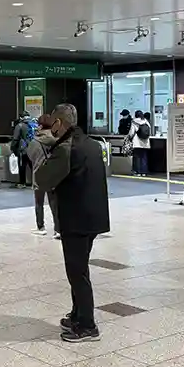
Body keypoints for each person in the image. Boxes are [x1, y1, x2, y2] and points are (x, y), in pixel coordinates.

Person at [35, 104, 110, 342]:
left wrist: (44, 151)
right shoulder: (91, 143)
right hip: (93, 216)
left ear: (58, 123)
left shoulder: (65, 148)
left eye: (53, 123)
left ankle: (88, 325)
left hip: (75, 218)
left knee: (77, 272)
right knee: (80, 268)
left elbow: (43, 179)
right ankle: (78, 314)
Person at [27, 114, 60, 237]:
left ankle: (41, 227)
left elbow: (30, 155)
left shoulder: (35, 141)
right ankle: (58, 229)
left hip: (39, 173)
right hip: (53, 175)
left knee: (39, 202)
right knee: (54, 203)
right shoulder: (56, 139)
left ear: (40, 125)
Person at [11, 111, 34, 187]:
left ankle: (22, 183)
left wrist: (13, 148)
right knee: (33, 166)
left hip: (23, 149)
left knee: (22, 165)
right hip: (34, 148)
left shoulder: (19, 126)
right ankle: (36, 182)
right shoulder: (34, 125)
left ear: (21, 117)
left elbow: (15, 139)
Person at [128, 110, 151, 176]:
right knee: (144, 157)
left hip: (137, 142)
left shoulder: (134, 122)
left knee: (137, 157)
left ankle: (137, 172)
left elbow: (132, 132)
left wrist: (129, 138)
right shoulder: (146, 121)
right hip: (145, 142)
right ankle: (144, 172)